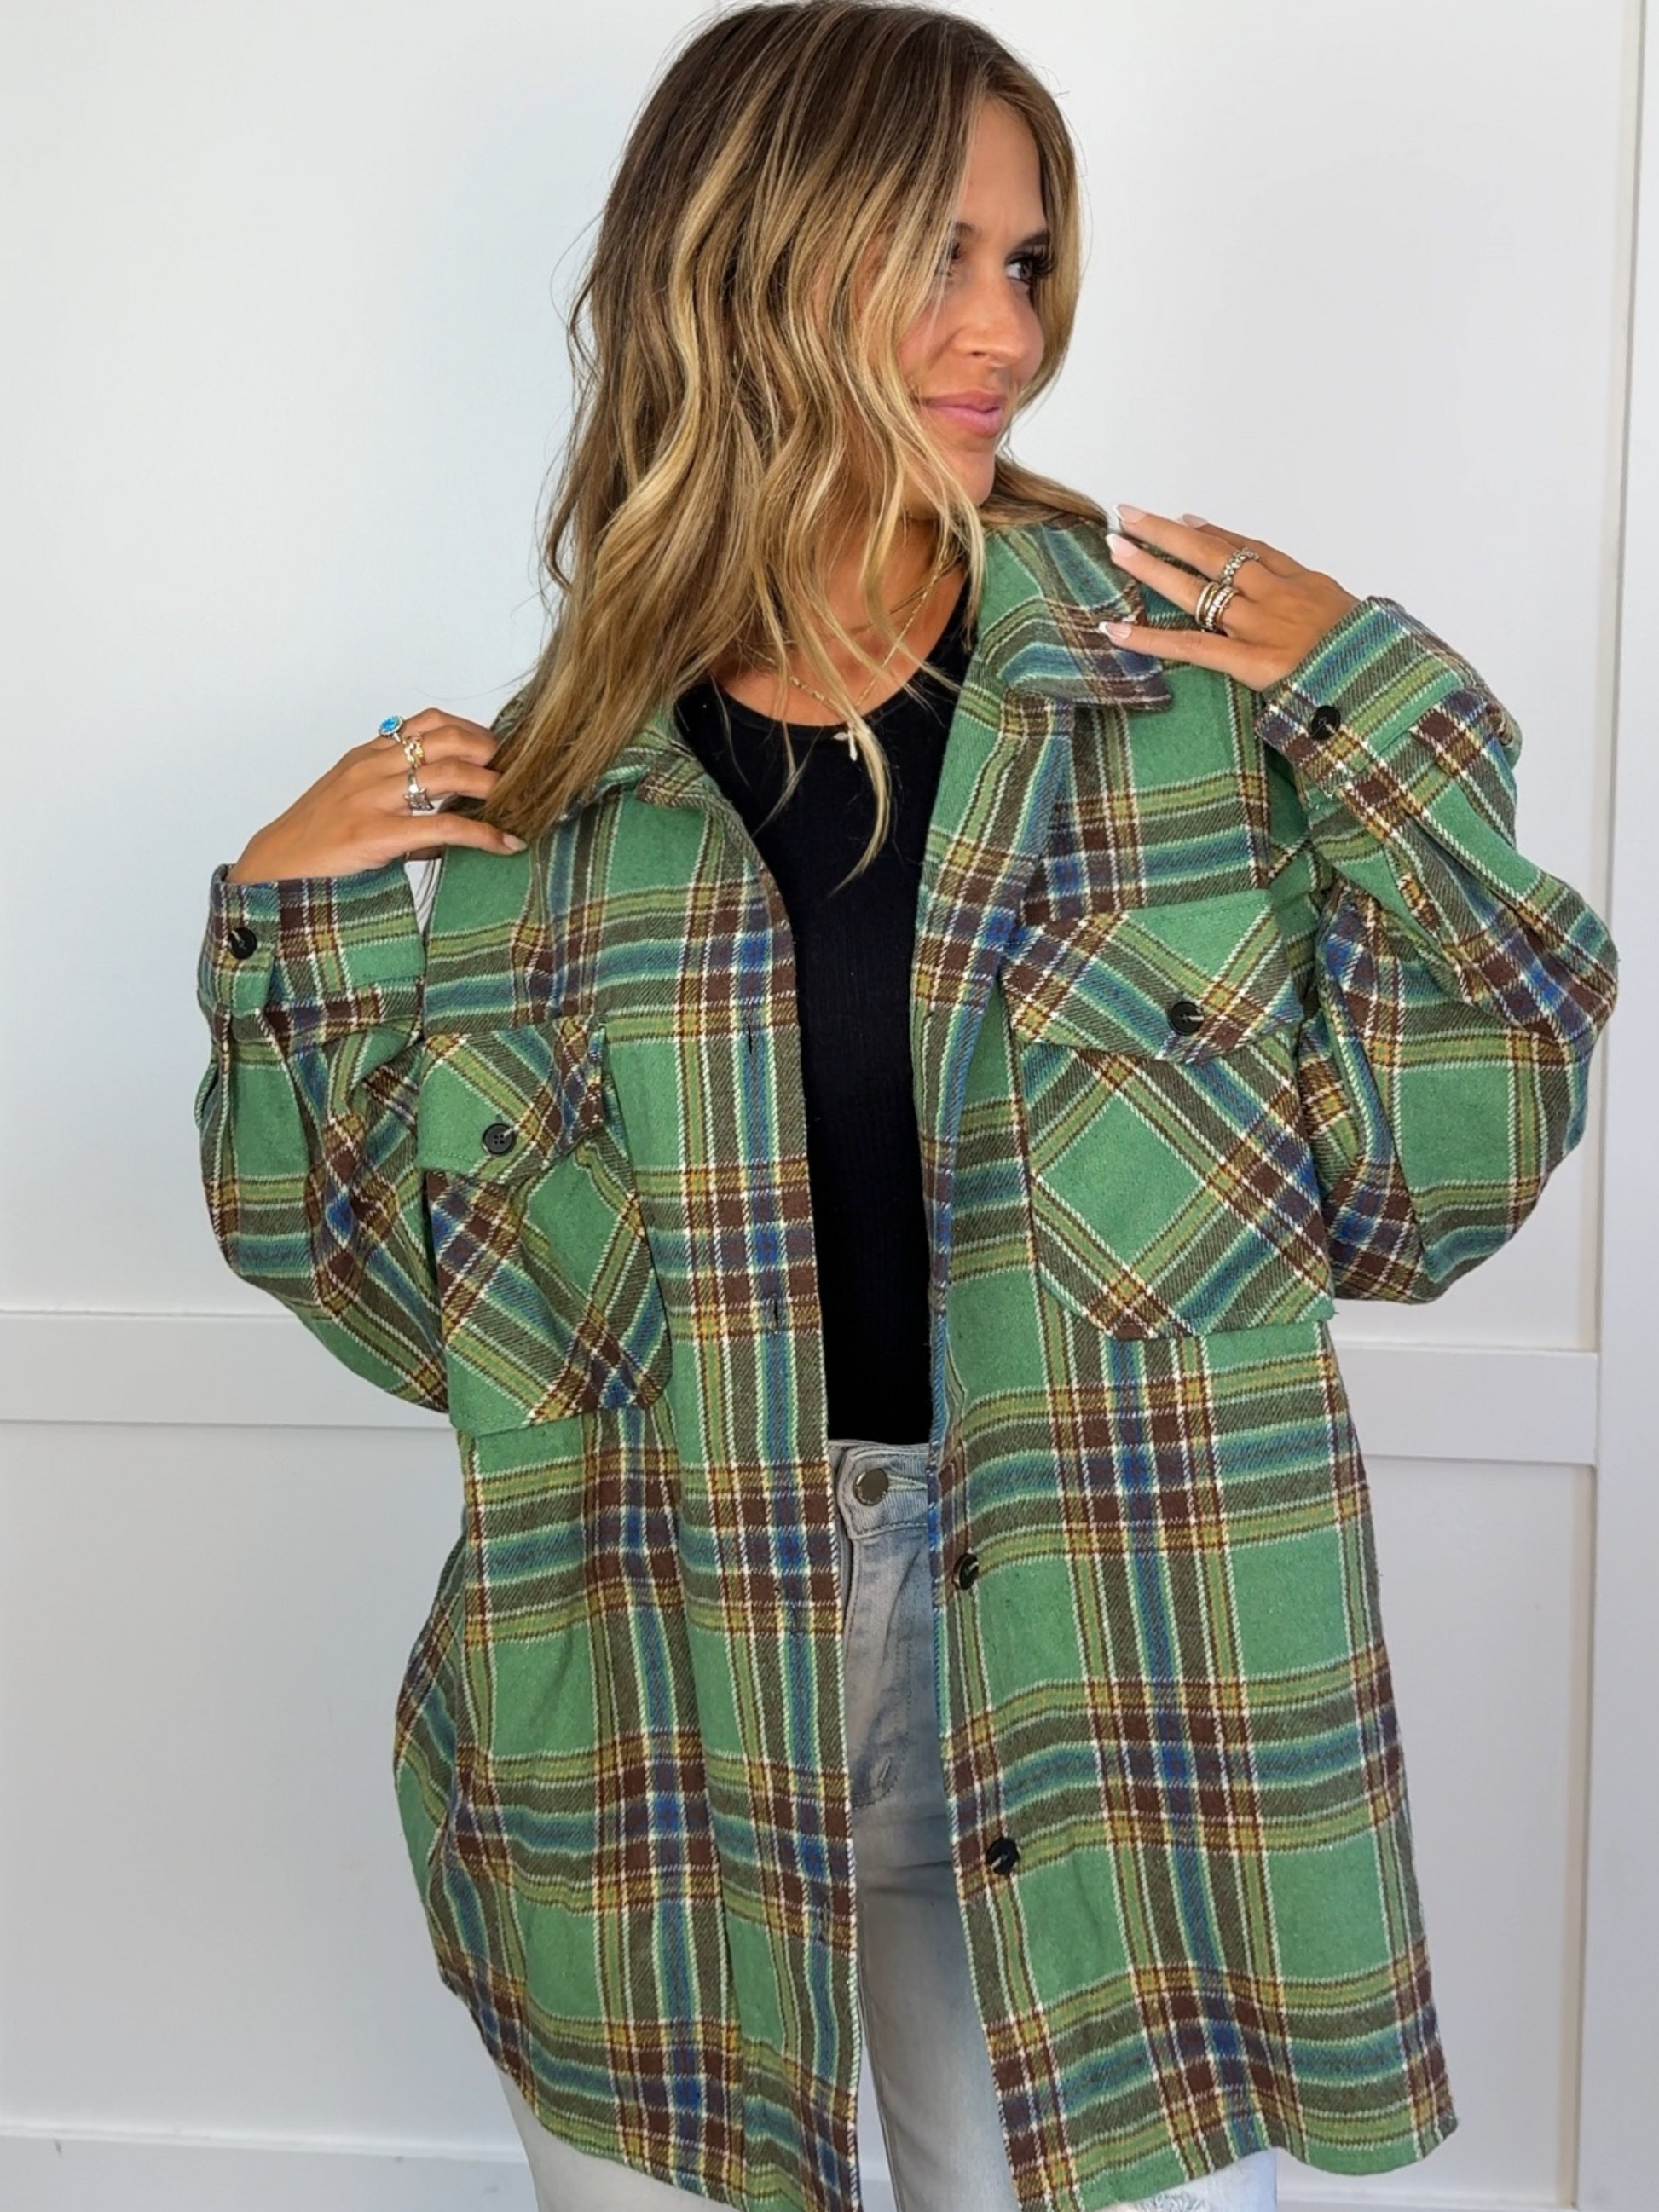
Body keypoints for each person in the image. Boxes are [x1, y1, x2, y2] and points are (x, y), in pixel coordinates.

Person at [191, 5, 1618, 2209]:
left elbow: (1434, 1183)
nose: (1003, 333)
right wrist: (295, 941)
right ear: (743, 265)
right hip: (661, 1669)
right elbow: (421, 1322)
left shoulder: (1175, 710)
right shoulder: (549, 792)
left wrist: (1386, 708)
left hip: (1107, 1648)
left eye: (1026, 262)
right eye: (934, 256)